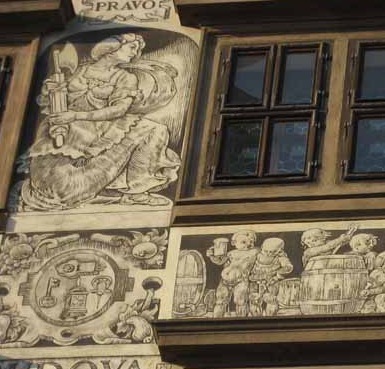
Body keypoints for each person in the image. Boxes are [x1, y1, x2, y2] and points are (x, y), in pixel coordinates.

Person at [20, 34, 181, 211]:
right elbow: (53, 104)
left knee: (155, 129)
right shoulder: (80, 71)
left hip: (99, 128)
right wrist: (51, 91)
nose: (135, 53)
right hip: (67, 132)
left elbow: (119, 110)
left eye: (137, 49)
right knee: (57, 179)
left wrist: (76, 116)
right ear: (111, 48)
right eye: (132, 47)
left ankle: (136, 192)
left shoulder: (125, 78)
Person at [209, 230, 258, 317]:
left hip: (241, 280)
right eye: (244, 242)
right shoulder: (231, 253)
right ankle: (216, 319)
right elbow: (220, 261)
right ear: (234, 243)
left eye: (251, 241)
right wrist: (212, 256)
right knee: (220, 300)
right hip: (225, 280)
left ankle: (241, 319)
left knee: (241, 301)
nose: (248, 244)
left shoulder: (254, 252)